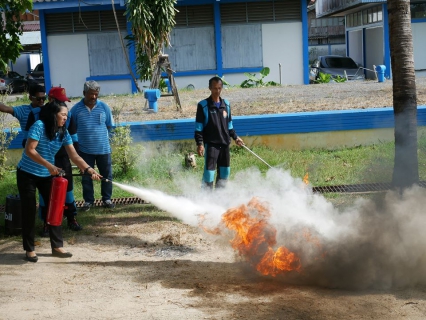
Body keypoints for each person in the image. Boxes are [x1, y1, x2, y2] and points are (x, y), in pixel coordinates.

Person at [17, 100, 102, 262]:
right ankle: (29, 249)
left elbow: (74, 156)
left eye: (66, 115)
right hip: (27, 173)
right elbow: (29, 150)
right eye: (63, 114)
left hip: (46, 174)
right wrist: (50, 166)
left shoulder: (63, 131)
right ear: (53, 114)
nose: (66, 118)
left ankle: (57, 246)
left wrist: (89, 169)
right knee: (29, 210)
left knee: (55, 208)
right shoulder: (39, 126)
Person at [25, 87, 82, 234]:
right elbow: (27, 141)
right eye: (59, 102)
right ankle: (46, 222)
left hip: (63, 158)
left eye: (64, 102)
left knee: (67, 190)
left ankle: (71, 218)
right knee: (46, 193)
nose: (63, 106)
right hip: (42, 159)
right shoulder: (36, 115)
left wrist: (81, 163)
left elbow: (73, 141)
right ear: (51, 101)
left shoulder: (67, 116)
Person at [70, 80, 115, 211]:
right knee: (86, 177)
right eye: (91, 94)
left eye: (96, 94)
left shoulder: (104, 107)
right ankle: (88, 201)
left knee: (106, 175)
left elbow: (109, 126)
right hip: (84, 150)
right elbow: (72, 130)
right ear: (84, 93)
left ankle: (106, 199)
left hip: (103, 149)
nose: (94, 97)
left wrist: (105, 140)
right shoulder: (76, 110)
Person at [194, 76, 244, 189]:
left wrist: (236, 137)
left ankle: (220, 198)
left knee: (225, 172)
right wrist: (200, 144)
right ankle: (206, 200)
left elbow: (229, 126)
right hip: (211, 145)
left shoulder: (226, 105)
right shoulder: (203, 105)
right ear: (210, 88)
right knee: (209, 174)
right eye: (215, 88)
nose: (217, 91)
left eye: (219, 88)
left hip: (225, 144)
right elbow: (198, 128)